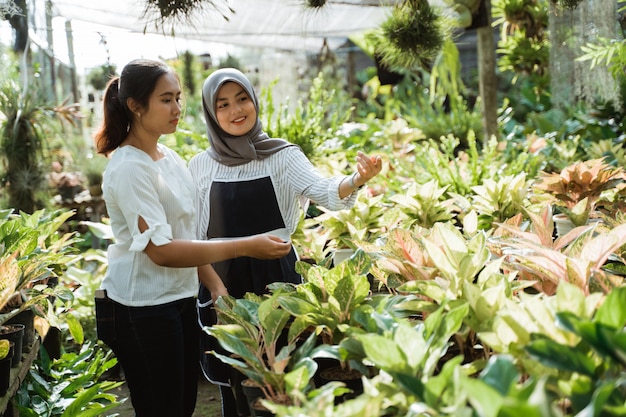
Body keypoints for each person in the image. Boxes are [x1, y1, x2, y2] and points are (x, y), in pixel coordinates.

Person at [92, 59, 292, 417]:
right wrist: (246, 245)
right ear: (135, 106)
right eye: (165, 99)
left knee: (183, 404)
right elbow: (162, 251)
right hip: (144, 308)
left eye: (179, 98)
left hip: (179, 299)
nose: (177, 109)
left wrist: (215, 286)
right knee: (163, 407)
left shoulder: (167, 157)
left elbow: (185, 233)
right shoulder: (129, 168)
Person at [189, 67, 383, 417]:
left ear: (254, 101)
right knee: (234, 381)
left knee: (284, 380)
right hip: (223, 284)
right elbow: (195, 238)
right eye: (223, 104)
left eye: (242, 99)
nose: (236, 111)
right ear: (210, 113)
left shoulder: (282, 156)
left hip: (276, 278)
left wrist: (357, 179)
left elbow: (325, 191)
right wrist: (216, 290)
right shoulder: (200, 167)